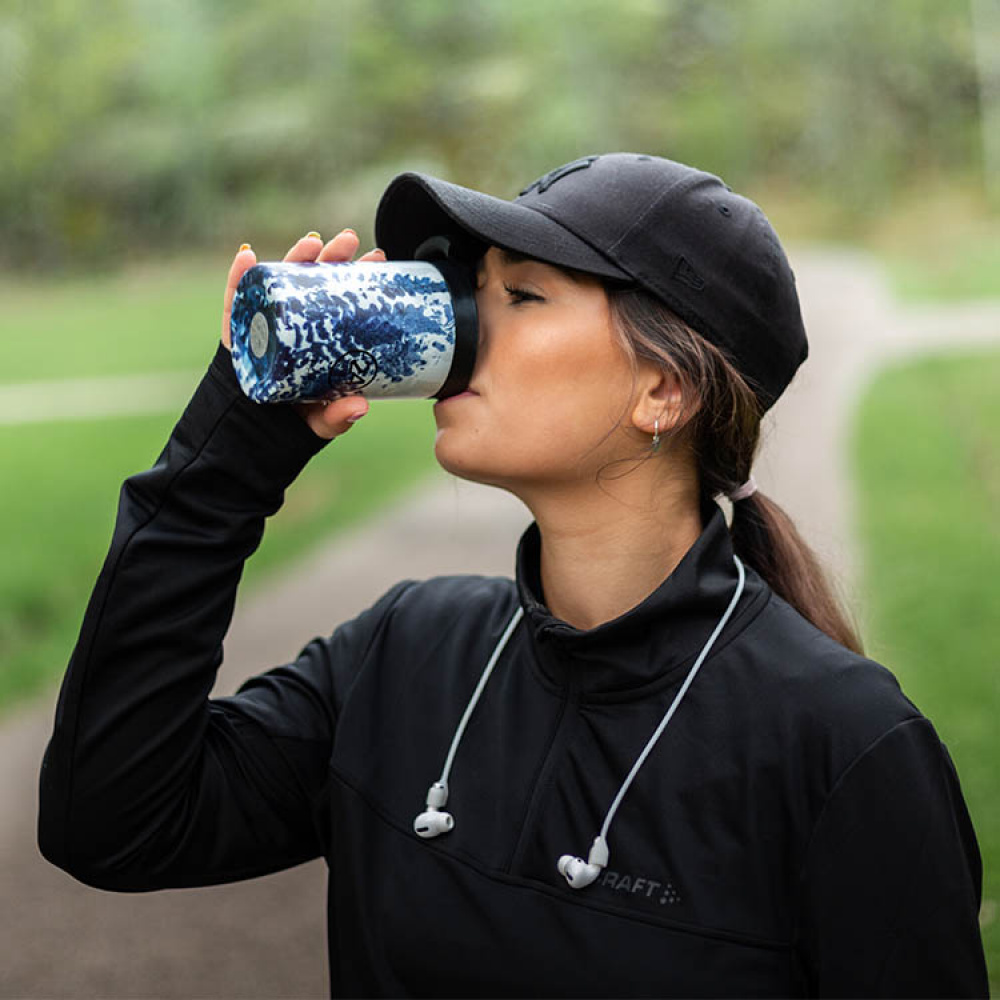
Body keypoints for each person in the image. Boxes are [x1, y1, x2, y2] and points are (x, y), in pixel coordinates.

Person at [38, 153, 988, 997]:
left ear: (666, 389)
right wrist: (232, 455)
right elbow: (113, 823)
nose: (461, 329)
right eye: (470, 286)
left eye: (521, 295)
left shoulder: (843, 745)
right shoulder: (405, 656)